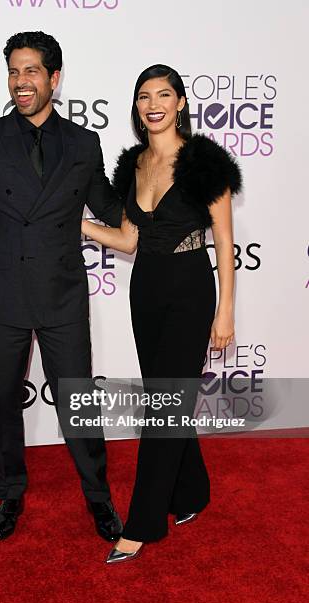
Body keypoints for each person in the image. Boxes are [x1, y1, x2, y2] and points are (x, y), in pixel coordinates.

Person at [0, 31, 123, 542]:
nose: (21, 82)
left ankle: (98, 497)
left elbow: (109, 207)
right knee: (4, 400)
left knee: (79, 402)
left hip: (62, 292)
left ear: (54, 78)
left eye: (31, 71)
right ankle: (10, 492)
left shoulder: (84, 143)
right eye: (14, 71)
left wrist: (157, 194)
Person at [81, 64, 242, 563]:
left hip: (192, 288)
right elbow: (130, 238)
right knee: (164, 398)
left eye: (163, 95)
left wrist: (225, 312)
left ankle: (144, 523)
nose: (154, 104)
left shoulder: (203, 162)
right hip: (145, 287)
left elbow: (223, 241)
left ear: (180, 103)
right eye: (144, 96)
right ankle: (191, 490)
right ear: (136, 107)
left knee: (163, 406)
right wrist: (80, 225)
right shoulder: (132, 165)